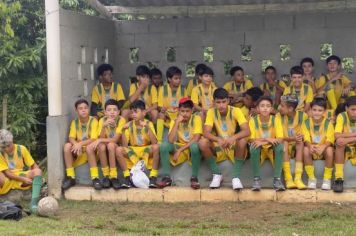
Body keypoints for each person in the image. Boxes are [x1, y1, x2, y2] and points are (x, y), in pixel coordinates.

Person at [198, 88, 250, 190]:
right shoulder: (211, 112)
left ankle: (236, 176)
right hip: (219, 144)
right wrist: (218, 139)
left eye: (223, 102)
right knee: (202, 142)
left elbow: (247, 131)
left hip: (232, 143)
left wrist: (233, 138)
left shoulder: (236, 111)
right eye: (218, 102)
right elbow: (206, 133)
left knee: (243, 141)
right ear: (214, 102)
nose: (221, 105)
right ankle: (216, 174)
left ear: (228, 101)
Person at [158, 98, 202, 189]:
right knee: (164, 146)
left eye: (187, 111)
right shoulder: (175, 120)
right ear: (178, 111)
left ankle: (194, 178)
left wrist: (180, 150)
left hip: (191, 146)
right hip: (180, 145)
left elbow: (196, 138)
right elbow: (170, 140)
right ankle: (166, 178)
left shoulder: (196, 118)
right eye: (182, 111)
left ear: (192, 111)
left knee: (194, 146)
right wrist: (177, 122)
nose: (184, 114)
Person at [115, 100, 160, 188]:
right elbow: (125, 146)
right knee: (118, 150)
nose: (133, 114)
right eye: (132, 112)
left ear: (143, 113)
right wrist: (123, 131)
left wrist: (147, 128)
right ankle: (127, 177)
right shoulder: (129, 124)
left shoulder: (148, 123)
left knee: (156, 147)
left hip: (145, 149)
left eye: (136, 112)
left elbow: (154, 142)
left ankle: (153, 177)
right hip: (133, 150)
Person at [86, 99, 126, 190]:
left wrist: (100, 140)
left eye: (115, 110)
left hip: (117, 146)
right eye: (109, 110)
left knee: (110, 145)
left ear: (119, 112)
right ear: (104, 112)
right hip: (105, 147)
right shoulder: (102, 121)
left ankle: (113, 176)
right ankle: (106, 176)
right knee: (101, 145)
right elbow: (101, 137)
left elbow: (115, 140)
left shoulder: (121, 120)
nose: (112, 112)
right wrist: (104, 127)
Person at [0, 129, 42, 214]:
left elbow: (33, 165)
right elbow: (7, 173)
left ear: (12, 141)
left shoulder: (21, 149)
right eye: (3, 147)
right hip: (7, 178)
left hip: (20, 175)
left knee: (38, 171)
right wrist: (23, 180)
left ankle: (33, 205)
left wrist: (38, 178)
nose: (7, 149)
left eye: (8, 145)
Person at [249, 96, 285, 191]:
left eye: (268, 106)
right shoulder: (253, 120)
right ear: (257, 109)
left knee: (280, 147)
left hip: (271, 148)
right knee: (253, 146)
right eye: (262, 106)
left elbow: (280, 138)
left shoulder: (276, 119)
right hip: (259, 148)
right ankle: (256, 180)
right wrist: (268, 139)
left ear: (272, 109)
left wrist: (264, 141)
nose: (265, 108)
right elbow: (252, 139)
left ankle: (277, 179)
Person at [62, 99, 98, 190]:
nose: (83, 110)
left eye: (85, 108)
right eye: (80, 108)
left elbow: (94, 139)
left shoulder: (94, 121)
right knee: (67, 146)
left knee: (89, 147)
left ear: (89, 109)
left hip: (91, 150)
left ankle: (95, 178)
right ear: (76, 110)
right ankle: (71, 177)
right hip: (79, 150)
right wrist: (76, 144)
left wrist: (80, 144)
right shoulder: (75, 122)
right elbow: (71, 138)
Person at [302, 98, 334, 190]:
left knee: (330, 150)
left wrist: (323, 146)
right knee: (305, 149)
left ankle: (327, 179)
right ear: (310, 110)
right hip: (312, 148)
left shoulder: (328, 123)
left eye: (320, 110)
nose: (317, 112)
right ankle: (311, 178)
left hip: (323, 149)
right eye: (314, 110)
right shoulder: (306, 122)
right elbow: (306, 138)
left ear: (324, 112)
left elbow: (330, 139)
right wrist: (310, 145)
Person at [278, 94, 308, 189]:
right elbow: (280, 137)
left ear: (290, 109)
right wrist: (292, 138)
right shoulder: (278, 116)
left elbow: (305, 133)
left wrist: (299, 137)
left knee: (300, 143)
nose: (279, 107)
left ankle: (298, 178)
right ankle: (288, 179)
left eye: (282, 106)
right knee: (284, 143)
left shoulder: (303, 116)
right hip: (284, 143)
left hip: (296, 143)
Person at [156, 66, 187, 141]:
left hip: (179, 115)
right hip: (167, 116)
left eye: (179, 78)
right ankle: (159, 140)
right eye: (176, 78)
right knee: (160, 115)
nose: (178, 80)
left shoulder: (183, 89)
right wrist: (163, 110)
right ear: (169, 79)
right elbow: (159, 106)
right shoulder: (162, 89)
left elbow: (186, 106)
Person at [333, 96, 356, 192]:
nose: (355, 112)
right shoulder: (341, 116)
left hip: (349, 142)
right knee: (339, 143)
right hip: (346, 144)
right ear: (346, 109)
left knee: (342, 141)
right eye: (353, 109)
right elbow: (337, 135)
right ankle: (339, 179)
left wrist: (347, 139)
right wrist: (354, 135)